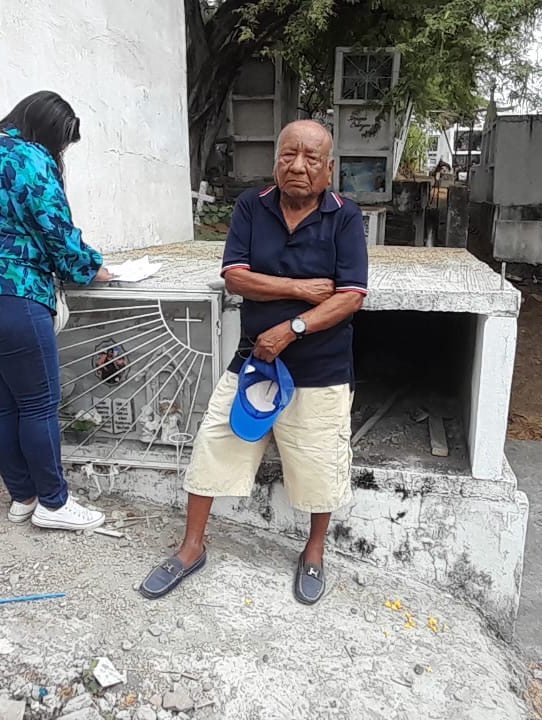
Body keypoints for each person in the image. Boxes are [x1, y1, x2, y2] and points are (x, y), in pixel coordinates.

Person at [138, 120, 368, 605]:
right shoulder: (252, 205)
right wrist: (300, 288)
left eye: (310, 158)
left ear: (329, 169)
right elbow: (235, 277)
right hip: (255, 359)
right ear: (275, 160)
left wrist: (293, 327)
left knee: (320, 464)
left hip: (321, 366)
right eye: (288, 155)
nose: (298, 166)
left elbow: (349, 297)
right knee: (214, 444)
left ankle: (314, 552)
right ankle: (191, 547)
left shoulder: (345, 216)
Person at [0, 91, 110, 531]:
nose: (60, 153)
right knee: (38, 403)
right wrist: (93, 268)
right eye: (62, 144)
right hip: (9, 292)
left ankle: (23, 497)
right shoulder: (28, 156)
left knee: (2, 400)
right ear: (49, 132)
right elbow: (55, 228)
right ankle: (54, 503)